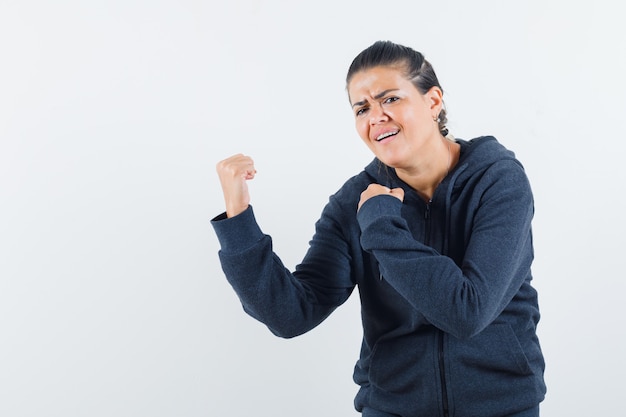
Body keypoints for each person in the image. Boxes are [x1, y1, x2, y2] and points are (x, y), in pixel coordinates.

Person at [211, 40, 546, 417]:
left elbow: (466, 312)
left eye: (390, 99)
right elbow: (291, 314)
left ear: (433, 102)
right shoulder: (354, 201)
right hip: (392, 408)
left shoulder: (497, 180)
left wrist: (381, 224)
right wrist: (238, 217)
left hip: (501, 408)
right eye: (362, 108)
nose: (376, 117)